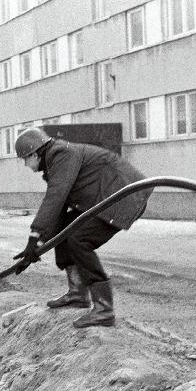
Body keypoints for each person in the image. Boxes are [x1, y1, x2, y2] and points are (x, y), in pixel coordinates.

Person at [12, 127, 152, 328]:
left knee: (79, 239)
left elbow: (56, 196)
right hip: (105, 198)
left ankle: (104, 309)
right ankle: (77, 293)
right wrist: (38, 244)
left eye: (24, 159)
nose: (25, 164)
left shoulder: (62, 154)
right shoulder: (56, 160)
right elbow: (59, 209)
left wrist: (35, 235)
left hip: (124, 198)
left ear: (34, 154)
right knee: (66, 230)